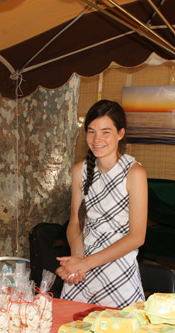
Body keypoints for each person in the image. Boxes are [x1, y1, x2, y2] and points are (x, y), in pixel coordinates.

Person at [55, 99, 148, 308]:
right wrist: (77, 262)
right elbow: (75, 223)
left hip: (119, 273)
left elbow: (137, 237)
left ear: (120, 134)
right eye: (91, 131)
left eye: (106, 132)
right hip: (82, 275)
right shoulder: (80, 170)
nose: (97, 139)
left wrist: (85, 264)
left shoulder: (135, 173)